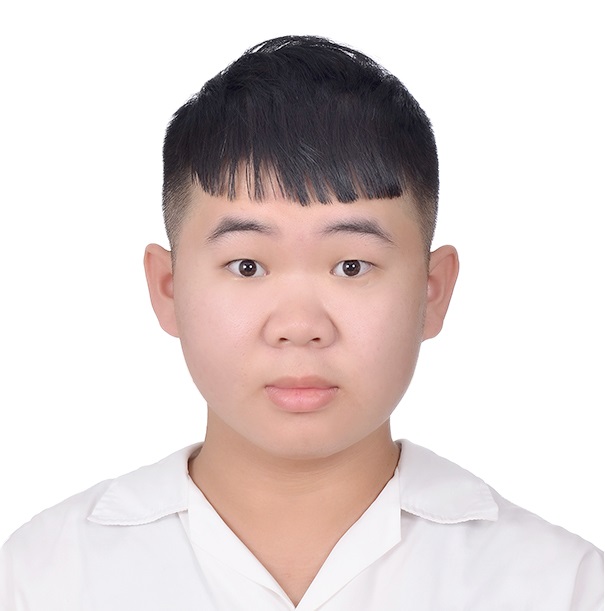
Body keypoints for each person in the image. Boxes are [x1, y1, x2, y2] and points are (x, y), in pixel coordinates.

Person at [0, 35, 602, 611]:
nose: (299, 325)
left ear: (432, 292)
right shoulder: (43, 578)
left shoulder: (560, 588)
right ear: (168, 288)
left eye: (351, 265)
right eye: (247, 265)